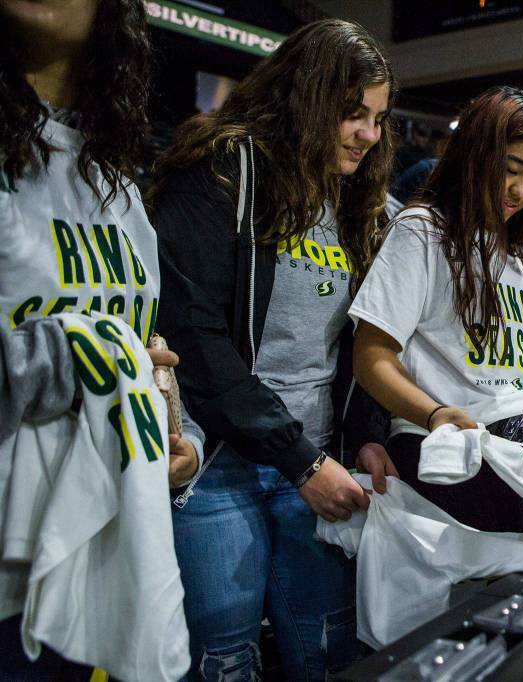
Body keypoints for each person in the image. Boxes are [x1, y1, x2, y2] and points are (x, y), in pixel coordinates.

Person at [150, 20, 397, 680]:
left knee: (325, 654)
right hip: (218, 466)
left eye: (376, 118)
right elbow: (193, 335)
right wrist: (301, 458)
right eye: (351, 114)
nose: (367, 135)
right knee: (223, 662)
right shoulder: (223, 169)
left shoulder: (365, 205)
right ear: (306, 97)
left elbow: (366, 342)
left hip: (318, 468)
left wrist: (366, 434)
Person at [0, 0, 201, 677]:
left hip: (93, 553)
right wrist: (86, 353)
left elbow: (143, 343)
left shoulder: (112, 179)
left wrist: (176, 442)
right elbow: (110, 345)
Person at [351, 86, 523, 533]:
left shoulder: (515, 257)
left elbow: (516, 368)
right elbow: (371, 356)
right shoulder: (421, 231)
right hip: (448, 456)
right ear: (477, 155)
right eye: (511, 169)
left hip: (522, 455)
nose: (521, 190)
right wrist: (434, 415)